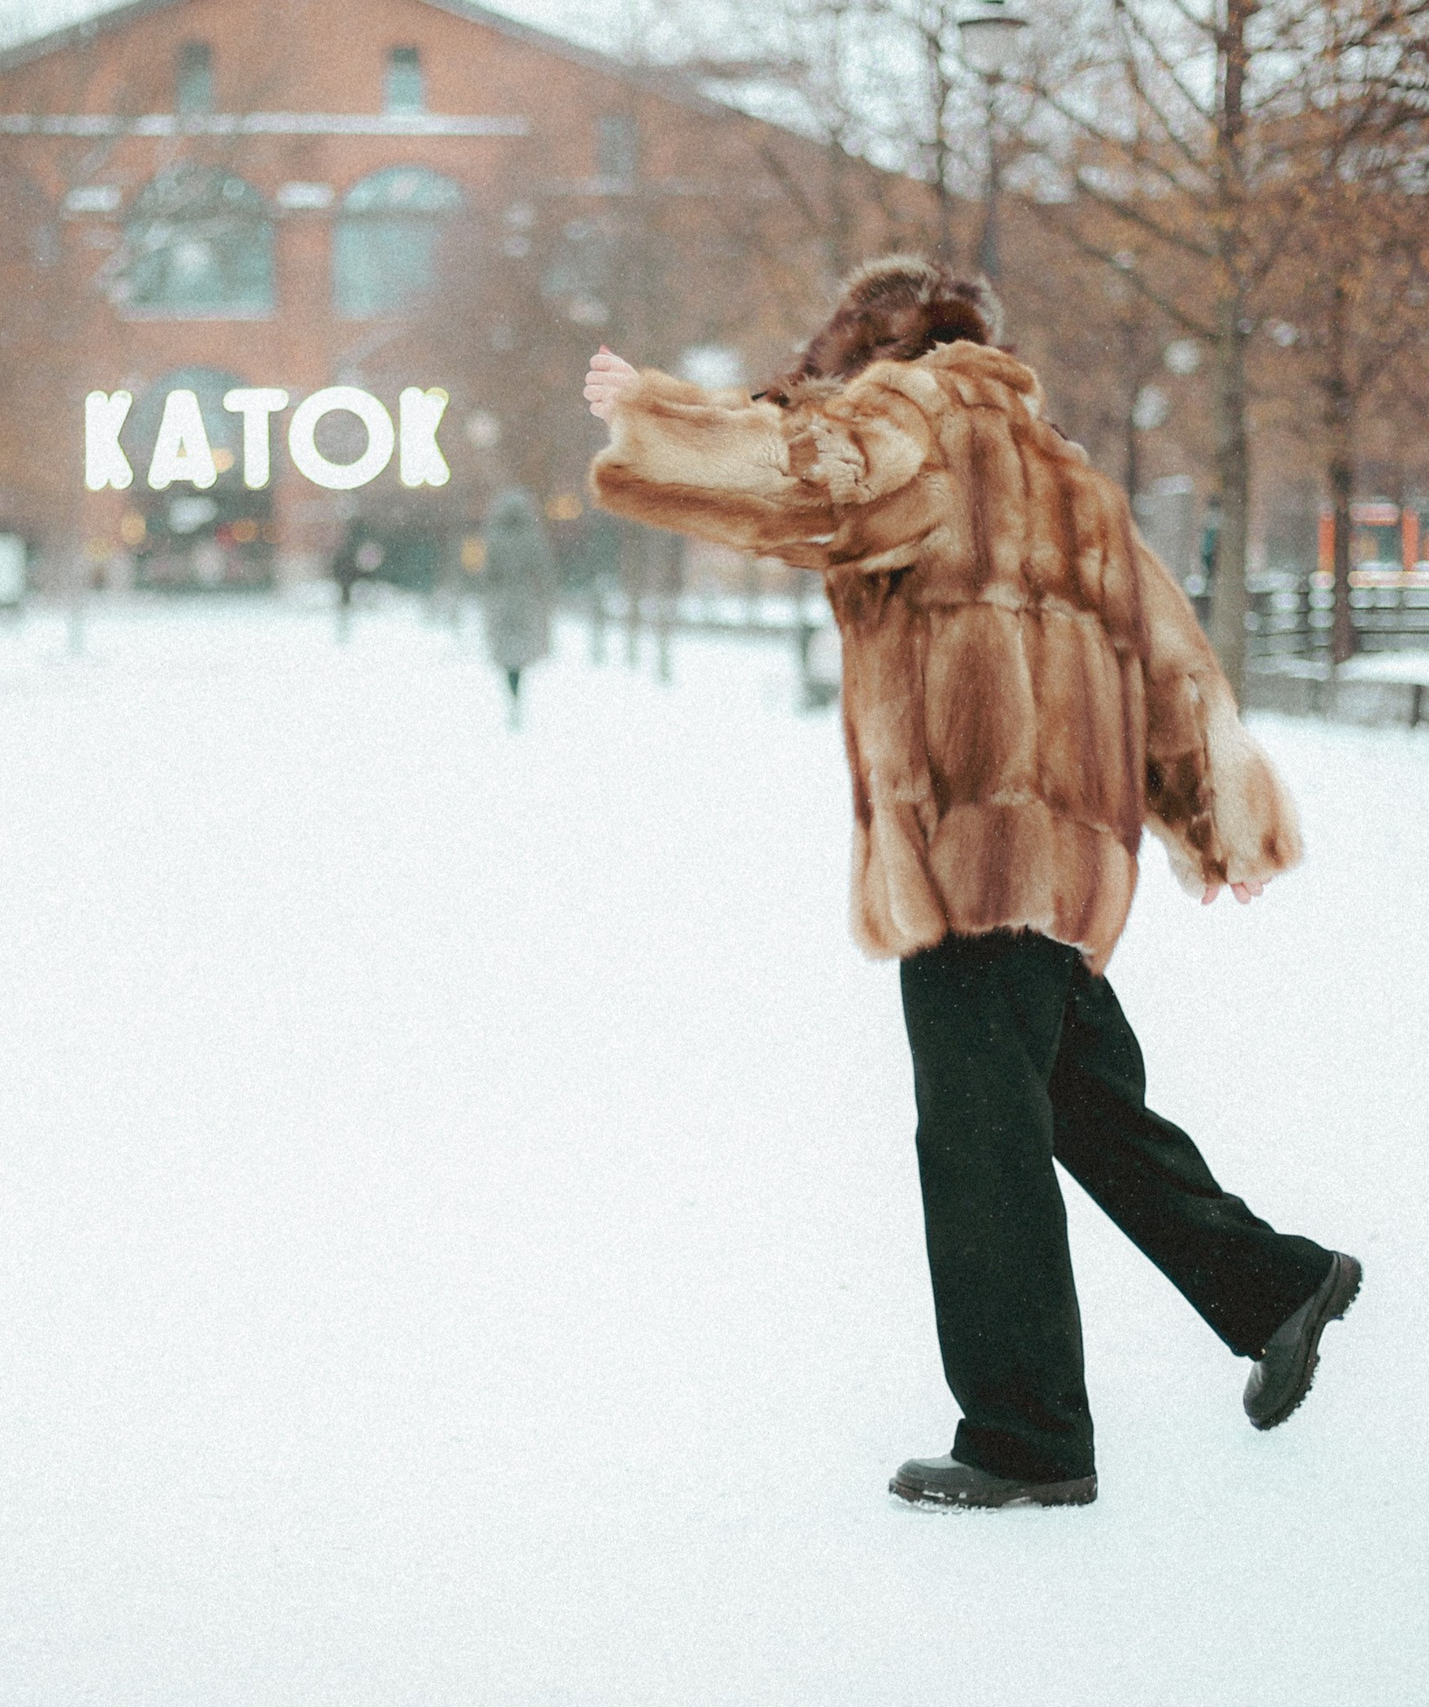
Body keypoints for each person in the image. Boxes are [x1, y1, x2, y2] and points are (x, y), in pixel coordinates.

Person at [580, 258, 1360, 1511]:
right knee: (1086, 1107)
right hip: (1064, 861)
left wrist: (655, 411)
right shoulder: (1061, 466)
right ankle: (1274, 1287)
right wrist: (1212, 822)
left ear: (874, 353)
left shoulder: (912, 419)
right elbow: (1163, 651)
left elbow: (804, 471)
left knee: (980, 1144)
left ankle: (1027, 1437)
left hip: (975, 850)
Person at [480, 487, 556, 728]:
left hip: (503, 603)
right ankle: (516, 695)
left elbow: (488, 574)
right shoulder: (532, 536)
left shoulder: (494, 536)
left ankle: (513, 694)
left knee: (508, 656)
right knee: (519, 653)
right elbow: (543, 571)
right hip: (524, 603)